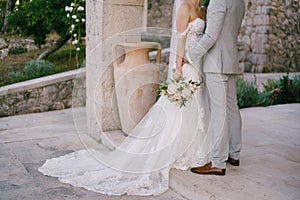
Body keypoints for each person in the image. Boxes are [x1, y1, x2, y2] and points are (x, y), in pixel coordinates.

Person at [39, 0, 210, 196]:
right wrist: (178, 71)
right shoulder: (185, 7)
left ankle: (194, 149)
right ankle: (172, 150)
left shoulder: (204, 9)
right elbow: (180, 41)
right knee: (180, 108)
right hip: (187, 67)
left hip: (201, 65)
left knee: (197, 107)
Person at [186, 0, 245, 175]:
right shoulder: (240, 2)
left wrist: (190, 55)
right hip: (231, 60)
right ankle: (234, 154)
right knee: (232, 108)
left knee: (220, 111)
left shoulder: (218, 1)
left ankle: (218, 162)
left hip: (216, 63)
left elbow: (211, 36)